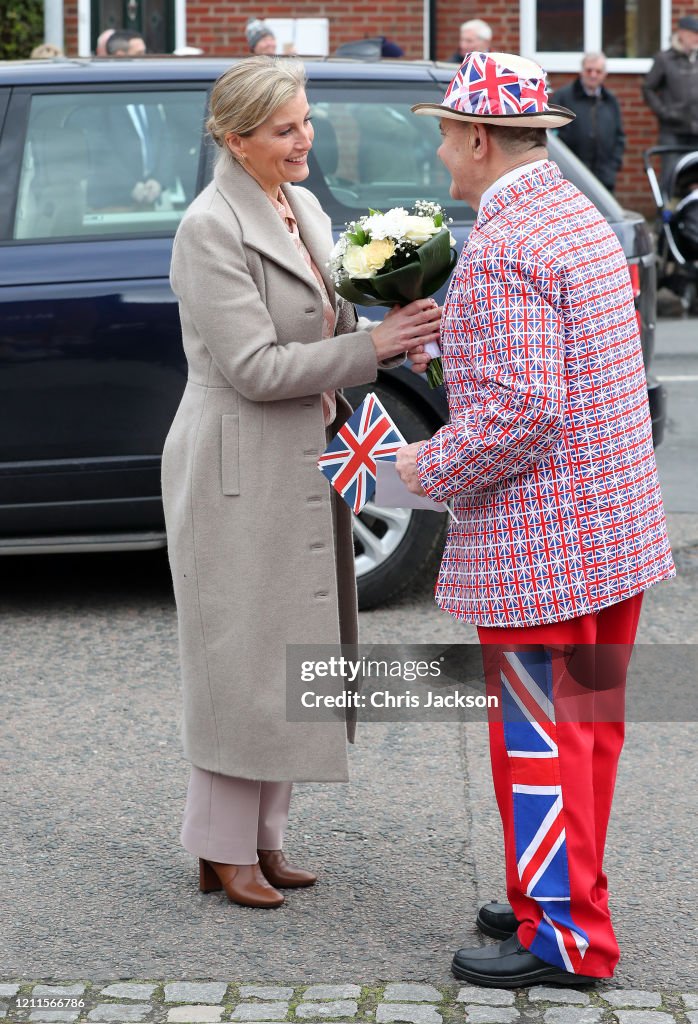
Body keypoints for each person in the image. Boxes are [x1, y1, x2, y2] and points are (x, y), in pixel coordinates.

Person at [397, 50, 675, 986]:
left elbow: (521, 414)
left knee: (539, 740)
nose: (441, 154)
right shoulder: (576, 216)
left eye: (444, 134)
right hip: (610, 533)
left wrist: (418, 465)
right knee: (585, 731)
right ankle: (556, 894)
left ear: (477, 138)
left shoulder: (506, 243)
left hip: (540, 548)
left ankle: (563, 938)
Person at [161, 56, 441, 909]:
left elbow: (329, 315)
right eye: (285, 130)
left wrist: (393, 321)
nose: (304, 140)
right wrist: (373, 351)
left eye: (307, 121)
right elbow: (251, 365)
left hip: (301, 449)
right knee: (238, 660)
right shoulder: (209, 227)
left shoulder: (305, 207)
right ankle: (219, 850)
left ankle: (265, 841)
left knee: (298, 650)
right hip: (234, 459)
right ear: (235, 138)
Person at [554, 53, 625, 192]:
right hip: (571, 179)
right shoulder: (562, 98)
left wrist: (613, 166)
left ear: (604, 74)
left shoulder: (610, 101)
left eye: (598, 71)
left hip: (604, 179)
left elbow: (619, 136)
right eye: (589, 70)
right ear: (581, 71)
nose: (593, 75)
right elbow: (553, 137)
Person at [643, 15, 698, 192]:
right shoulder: (665, 59)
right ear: (681, 34)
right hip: (673, 131)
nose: (696, 38)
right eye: (693, 34)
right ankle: (665, 216)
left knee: (694, 177)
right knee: (670, 176)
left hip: (696, 131)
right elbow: (648, 89)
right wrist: (664, 112)